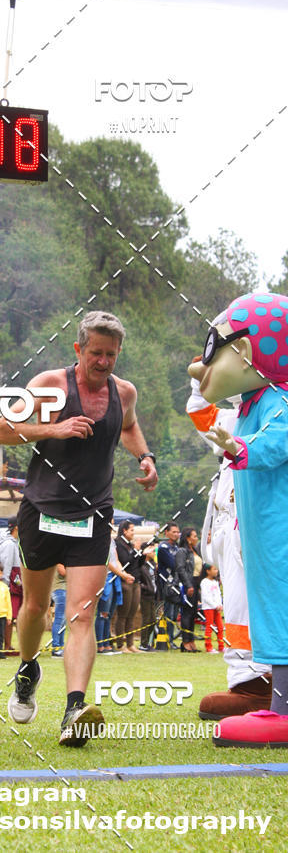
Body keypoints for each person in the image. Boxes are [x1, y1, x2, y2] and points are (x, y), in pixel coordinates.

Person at [0, 310, 158, 745]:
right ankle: (27, 669)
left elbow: (129, 426)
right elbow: (2, 431)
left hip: (93, 512)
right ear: (78, 349)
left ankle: (74, 709)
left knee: (82, 612)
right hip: (42, 510)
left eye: (111, 354)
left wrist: (145, 457)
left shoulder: (124, 392)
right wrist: (56, 428)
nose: (103, 361)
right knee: (35, 607)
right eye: (95, 353)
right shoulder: (51, 385)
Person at [188, 291, 288, 746]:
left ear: (247, 351)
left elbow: (275, 439)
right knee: (254, 606)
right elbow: (204, 415)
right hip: (244, 526)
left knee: (268, 604)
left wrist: (240, 448)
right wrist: (200, 383)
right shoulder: (247, 407)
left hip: (268, 528)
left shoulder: (273, 402)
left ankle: (263, 690)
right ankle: (257, 689)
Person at [186, 373, 271, 719]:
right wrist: (202, 379)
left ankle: (257, 684)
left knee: (246, 607)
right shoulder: (237, 415)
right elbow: (199, 411)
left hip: (255, 525)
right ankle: (247, 681)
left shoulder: (273, 410)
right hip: (229, 527)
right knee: (237, 606)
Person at [114, 520, 144, 653]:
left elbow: (137, 563)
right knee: (123, 614)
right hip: (125, 582)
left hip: (136, 581)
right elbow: (125, 562)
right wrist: (135, 551)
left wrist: (141, 553)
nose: (133, 533)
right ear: (124, 531)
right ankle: (120, 644)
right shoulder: (118, 544)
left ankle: (131, 644)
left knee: (132, 614)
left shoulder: (130, 545)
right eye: (131, 530)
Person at [0, 516, 22, 654]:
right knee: (10, 616)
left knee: (14, 616)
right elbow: (6, 565)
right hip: (11, 585)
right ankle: (6, 645)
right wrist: (5, 585)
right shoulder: (9, 544)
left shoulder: (15, 543)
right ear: (17, 527)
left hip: (16, 583)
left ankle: (9, 644)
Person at [156, 521, 181, 647]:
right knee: (168, 613)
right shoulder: (163, 548)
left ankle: (171, 639)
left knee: (174, 613)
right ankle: (166, 639)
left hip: (176, 584)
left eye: (178, 532)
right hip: (166, 584)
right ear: (166, 532)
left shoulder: (177, 548)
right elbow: (174, 564)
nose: (176, 534)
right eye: (174, 532)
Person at [176, 527, 200, 652]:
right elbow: (181, 569)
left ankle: (191, 640)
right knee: (187, 613)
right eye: (194, 536)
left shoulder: (195, 550)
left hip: (196, 583)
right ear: (188, 538)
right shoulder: (182, 551)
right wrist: (188, 585)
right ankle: (185, 642)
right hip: (188, 583)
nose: (196, 538)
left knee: (193, 613)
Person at [138, 541, 158, 651]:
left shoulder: (153, 564)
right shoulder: (141, 565)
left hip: (152, 595)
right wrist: (145, 588)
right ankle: (143, 643)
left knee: (153, 620)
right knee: (146, 619)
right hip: (145, 595)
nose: (154, 552)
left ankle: (148, 642)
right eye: (152, 550)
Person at [200, 563, 225, 654]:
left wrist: (220, 604)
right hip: (208, 607)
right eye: (214, 569)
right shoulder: (204, 582)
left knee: (220, 627)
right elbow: (206, 597)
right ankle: (208, 647)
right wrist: (214, 605)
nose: (216, 571)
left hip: (217, 608)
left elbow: (218, 594)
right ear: (208, 571)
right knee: (210, 626)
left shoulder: (215, 582)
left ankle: (221, 646)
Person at [50, 564, 66, 657]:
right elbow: (63, 572)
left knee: (63, 621)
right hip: (59, 590)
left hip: (64, 589)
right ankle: (56, 647)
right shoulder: (59, 560)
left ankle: (60, 646)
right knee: (59, 619)